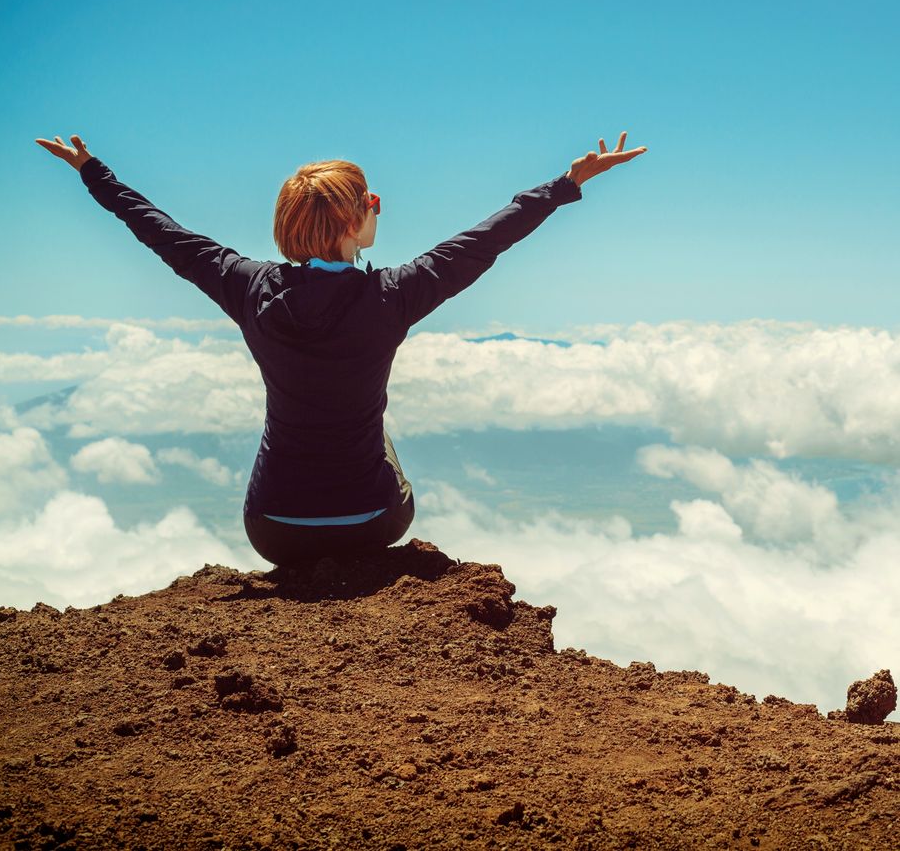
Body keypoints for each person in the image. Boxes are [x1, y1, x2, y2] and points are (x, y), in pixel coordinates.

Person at [35, 131, 647, 566]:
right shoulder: (396, 295)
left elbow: (158, 229)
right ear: (355, 221)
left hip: (273, 530)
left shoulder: (244, 286)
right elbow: (488, 238)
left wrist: (94, 171)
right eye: (371, 202)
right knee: (372, 427)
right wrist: (568, 183)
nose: (377, 208)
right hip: (373, 525)